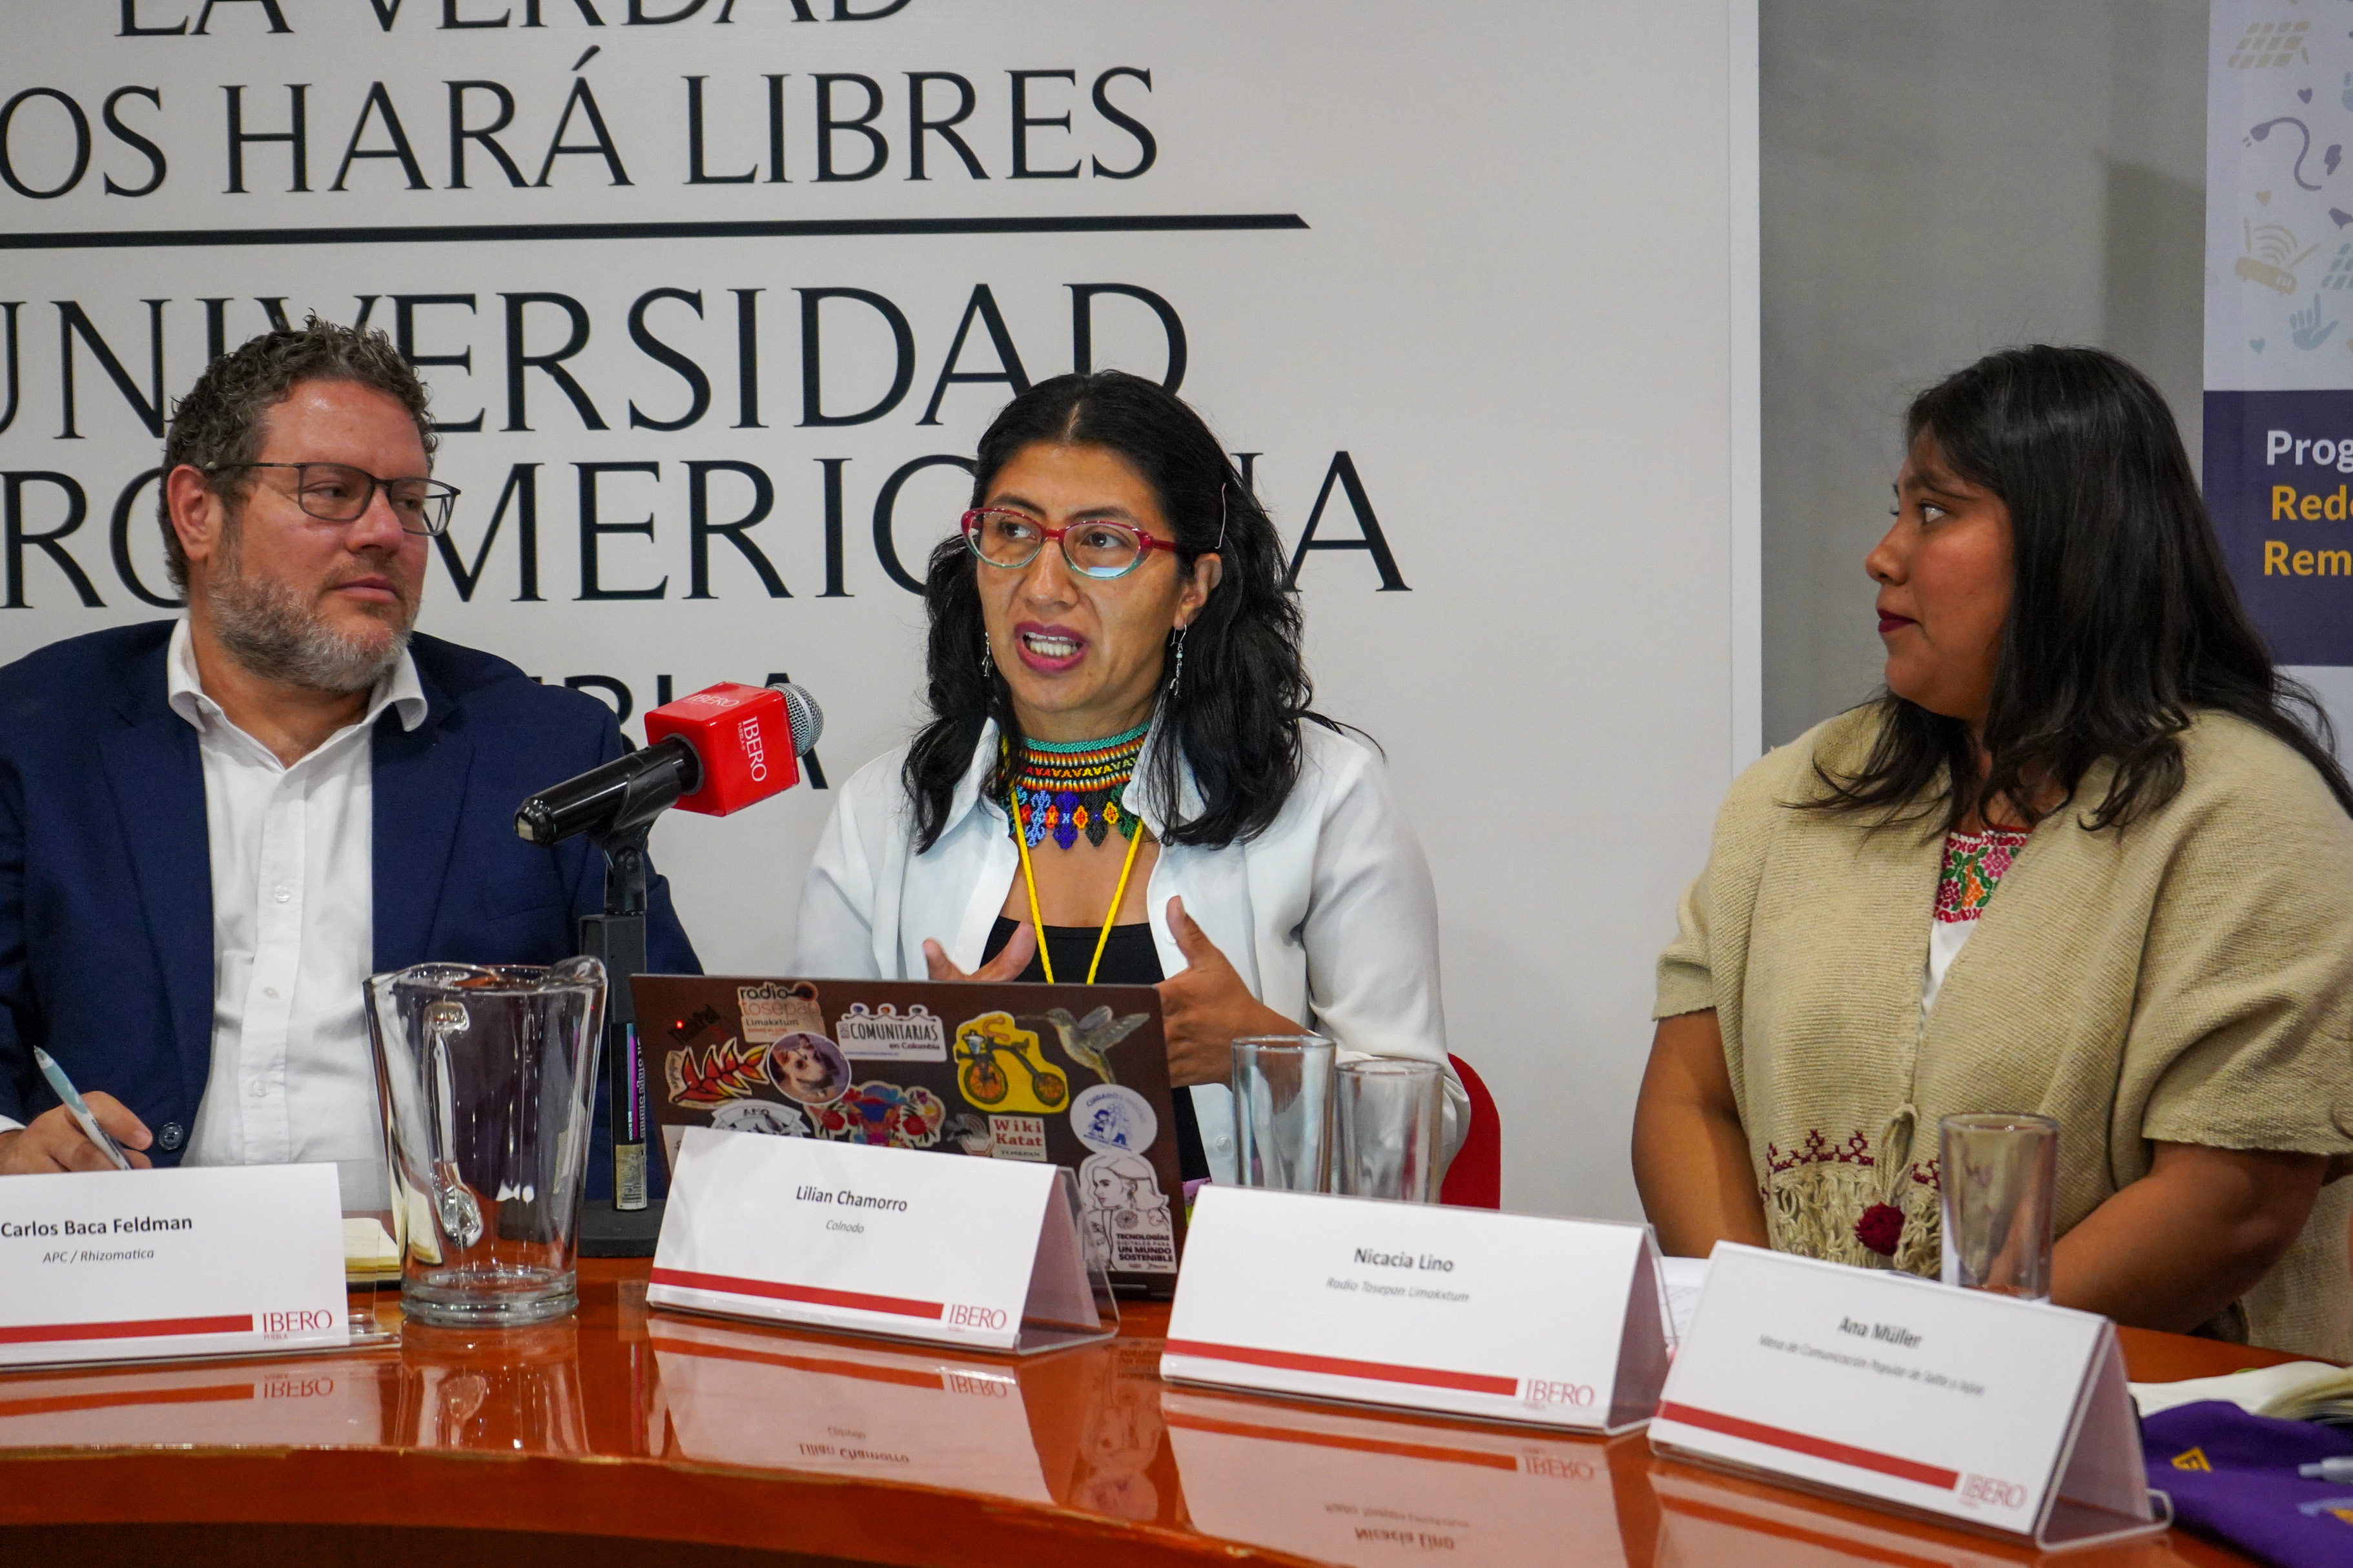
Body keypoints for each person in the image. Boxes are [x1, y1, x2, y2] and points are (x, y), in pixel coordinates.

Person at [1633, 345, 2353, 1358]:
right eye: (1898, 508)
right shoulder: (1795, 791)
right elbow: (1687, 1098)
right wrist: (1768, 1346)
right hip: (1794, 1408)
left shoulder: (2248, 814)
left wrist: (1930, 1367)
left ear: (2075, 546)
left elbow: (2231, 1198)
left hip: (2144, 1438)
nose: (1883, 554)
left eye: (1935, 512)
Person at [0, 319, 697, 1201]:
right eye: (333, 491)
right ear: (198, 511)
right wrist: (16, 1151)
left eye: (408, 501)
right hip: (136, 1277)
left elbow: (656, 1077)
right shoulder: (41, 733)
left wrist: (518, 1245)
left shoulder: (545, 750)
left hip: (448, 1297)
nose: (383, 532)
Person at [794, 371, 1464, 1181]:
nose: (1043, 586)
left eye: (1102, 542)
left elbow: (1428, 1130)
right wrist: (928, 1079)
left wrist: (1265, 1053)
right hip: (977, 1293)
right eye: (1011, 531)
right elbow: (812, 1126)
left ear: (1192, 587)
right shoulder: (885, 811)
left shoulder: (1324, 795)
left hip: (1240, 1294)